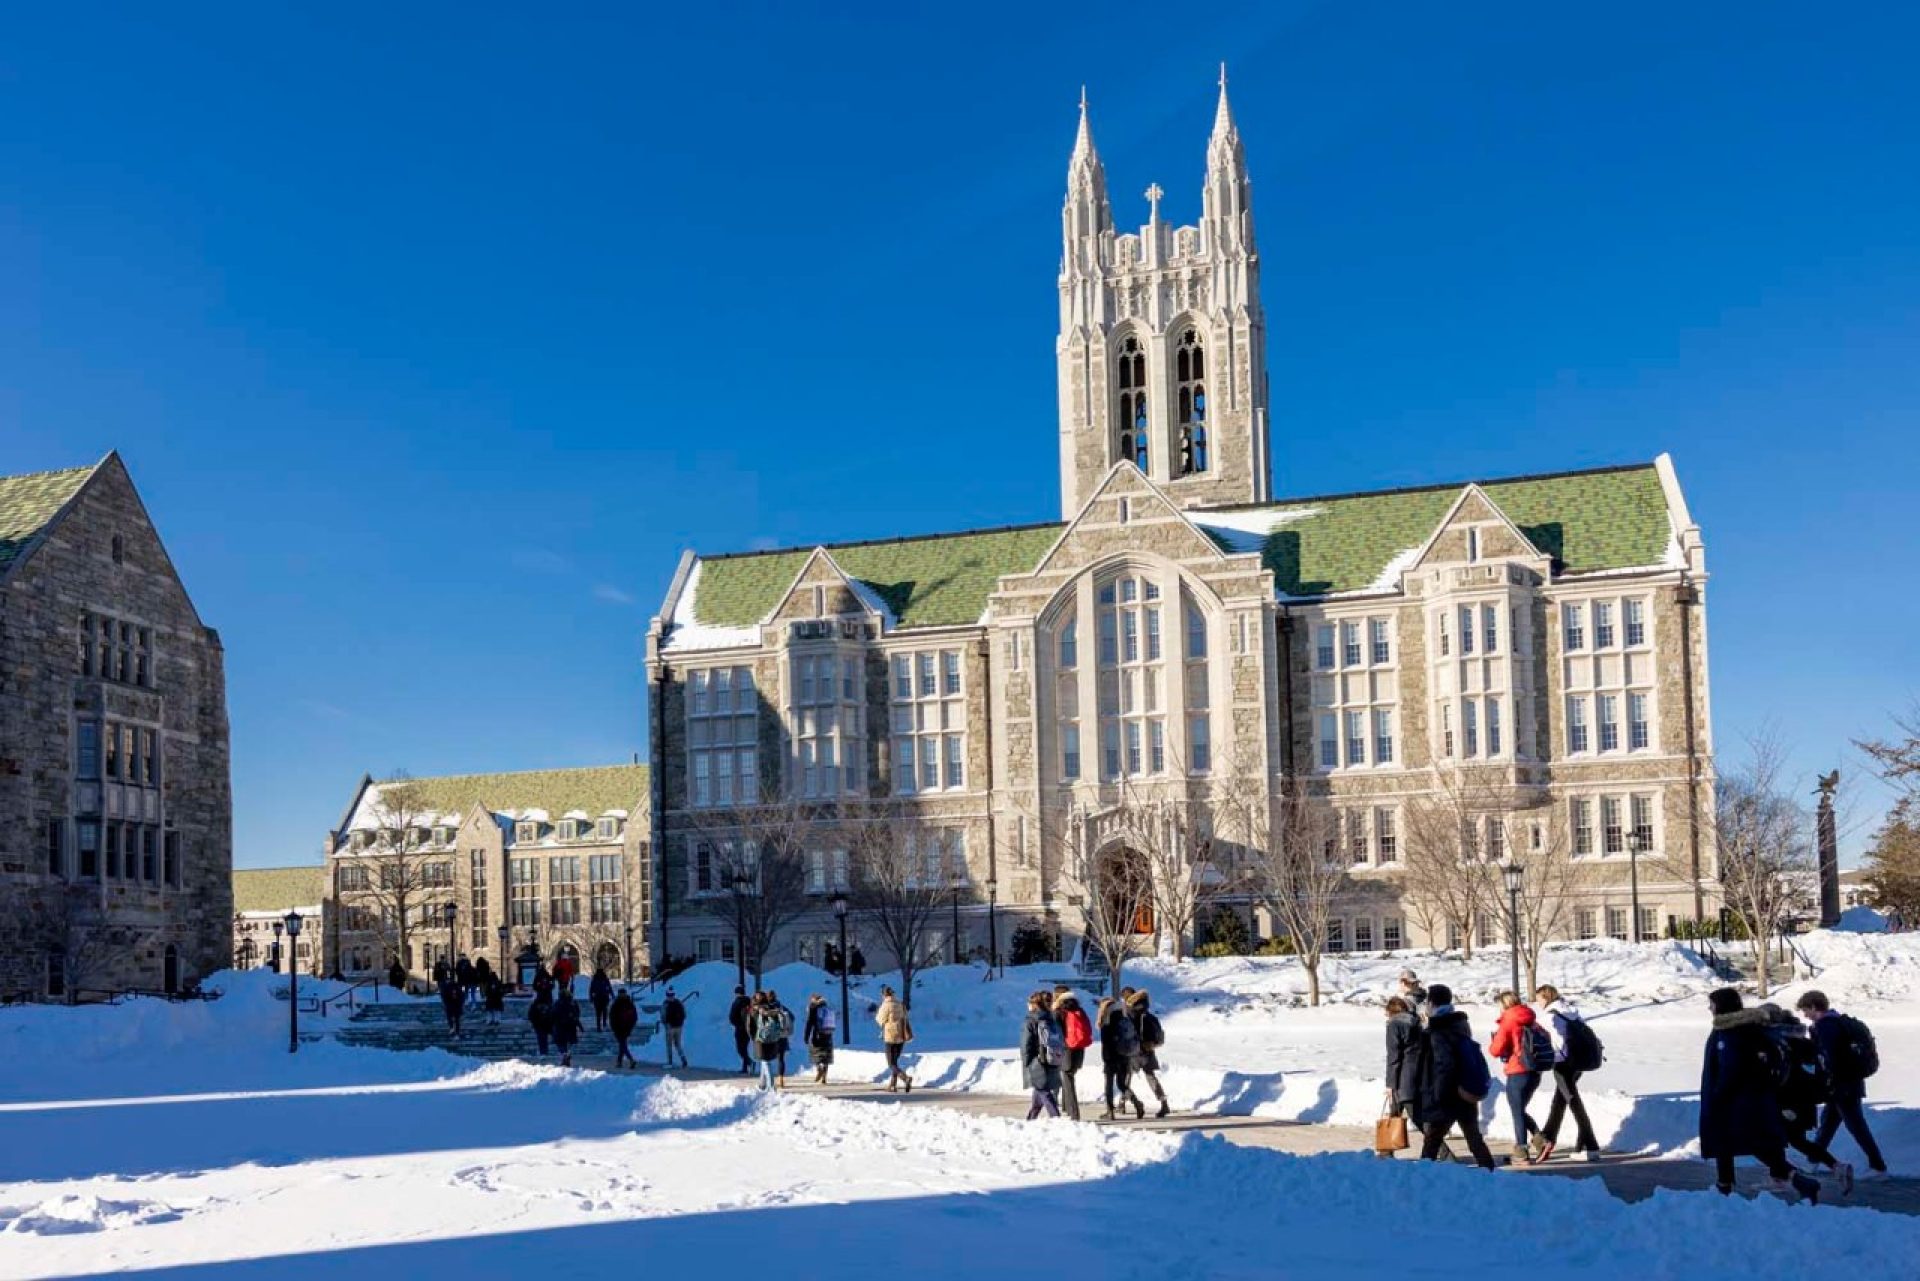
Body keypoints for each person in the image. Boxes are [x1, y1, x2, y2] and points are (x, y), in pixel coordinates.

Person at [1699, 987, 1821, 1201]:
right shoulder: (1750, 1028)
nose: (1709, 1008)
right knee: (1753, 1145)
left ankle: (1724, 1186)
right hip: (1753, 1099)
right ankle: (1798, 1180)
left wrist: (1719, 1094)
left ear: (1722, 1006)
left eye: (1712, 1003)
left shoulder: (1729, 1032)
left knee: (1729, 1140)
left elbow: (1731, 1068)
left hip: (1735, 1101)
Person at [1758, 1003, 1851, 1192]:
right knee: (1795, 1140)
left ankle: (1780, 1177)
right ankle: (1836, 1167)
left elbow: (1781, 1075)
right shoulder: (1800, 1039)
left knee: (1771, 1139)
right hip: (1806, 1100)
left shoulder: (1779, 1042)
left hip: (1786, 1100)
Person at [1797, 990, 1889, 1180]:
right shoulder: (1838, 1022)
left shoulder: (1825, 1026)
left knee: (1856, 1126)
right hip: (1847, 1084)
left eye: (1806, 1010)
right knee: (1828, 1124)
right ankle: (1812, 1162)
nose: (1805, 1015)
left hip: (1841, 1086)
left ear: (1814, 1007)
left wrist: (1825, 1081)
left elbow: (1830, 1058)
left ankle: (1878, 1167)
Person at [1412, 983, 1497, 1169]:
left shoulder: (1439, 1029)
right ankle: (1489, 1170)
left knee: (1432, 1139)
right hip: (1464, 1089)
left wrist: (1438, 1094)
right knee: (1473, 1136)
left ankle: (1421, 1177)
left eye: (1427, 1001)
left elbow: (1445, 1064)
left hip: (1448, 1093)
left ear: (1432, 1003)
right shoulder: (1459, 1023)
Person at [1533, 984, 1601, 1163]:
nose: (1537, 1002)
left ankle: (1591, 1145)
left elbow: (1558, 1040)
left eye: (1538, 998)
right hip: (1578, 1062)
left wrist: (1553, 1057)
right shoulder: (1570, 1010)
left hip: (1563, 1063)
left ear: (1546, 998)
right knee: (1560, 1100)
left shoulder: (1550, 1016)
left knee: (1572, 1101)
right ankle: (1549, 1138)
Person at [1488, 990, 1547, 1163]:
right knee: (1519, 1109)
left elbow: (1495, 1050)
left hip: (1517, 1070)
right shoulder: (1530, 1018)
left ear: (1505, 1005)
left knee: (1517, 1111)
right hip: (1534, 1070)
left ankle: (1521, 1151)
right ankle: (1540, 1140)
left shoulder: (1509, 1021)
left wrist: (1496, 1041)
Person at [1124, 988, 1171, 1118]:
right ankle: (1164, 1103)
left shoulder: (1131, 1012)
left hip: (1135, 1051)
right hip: (1149, 1050)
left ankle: (1123, 1102)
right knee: (1151, 1076)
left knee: (1126, 1077)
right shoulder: (1147, 1013)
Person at [1383, 996, 1422, 1148]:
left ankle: (1442, 1153)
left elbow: (1393, 1056)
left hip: (1402, 1078)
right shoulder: (1415, 1023)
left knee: (1417, 1116)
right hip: (1416, 1073)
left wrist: (1390, 1084)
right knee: (1395, 1111)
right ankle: (1386, 1150)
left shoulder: (1394, 1025)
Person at [1097, 994, 1144, 1120]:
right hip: (1124, 1055)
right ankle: (1137, 1103)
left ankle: (1110, 1111)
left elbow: (1105, 1041)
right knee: (1122, 1084)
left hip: (1111, 1057)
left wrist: (1106, 1057)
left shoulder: (1107, 1022)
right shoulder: (1125, 1019)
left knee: (1108, 1084)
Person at [1022, 990, 1064, 1120]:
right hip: (1050, 1056)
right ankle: (1031, 1119)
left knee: (1042, 1090)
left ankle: (1056, 1118)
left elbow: (1026, 1043)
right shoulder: (1050, 1017)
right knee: (1039, 1089)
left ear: (1034, 1004)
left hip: (1036, 1059)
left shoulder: (1030, 1020)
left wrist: (1027, 1061)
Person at [1055, 988, 1092, 1122]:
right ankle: (1066, 1108)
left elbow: (1057, 1034)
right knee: (1069, 1078)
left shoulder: (1060, 1012)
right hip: (1079, 1050)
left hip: (1067, 1051)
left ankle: (1074, 1114)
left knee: (1068, 1080)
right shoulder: (1080, 1010)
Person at [875, 985, 913, 1092]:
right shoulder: (900, 1003)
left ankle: (905, 1078)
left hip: (890, 1036)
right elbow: (906, 1017)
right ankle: (893, 1084)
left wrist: (878, 1013)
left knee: (891, 1063)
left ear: (884, 995)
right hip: (901, 1036)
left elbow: (880, 1020)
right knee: (895, 1061)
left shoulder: (886, 1005)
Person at [751, 993, 783, 1091]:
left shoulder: (756, 1010)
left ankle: (771, 1086)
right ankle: (762, 1084)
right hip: (772, 1038)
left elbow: (751, 1025)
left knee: (765, 1061)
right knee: (764, 1061)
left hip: (760, 1038)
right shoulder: (771, 1008)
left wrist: (752, 1036)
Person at [804, 993, 836, 1084]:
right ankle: (824, 1077)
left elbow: (809, 1023)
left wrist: (806, 1036)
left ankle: (819, 1069)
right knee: (826, 1055)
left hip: (817, 1034)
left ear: (814, 1000)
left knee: (815, 1053)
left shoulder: (813, 1008)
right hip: (828, 1034)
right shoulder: (827, 1008)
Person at [768, 989, 795, 1088]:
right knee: (781, 1058)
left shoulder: (767, 1008)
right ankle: (781, 1078)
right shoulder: (781, 1006)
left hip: (770, 1037)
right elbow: (792, 1016)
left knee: (767, 1058)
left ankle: (768, 1079)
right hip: (782, 1036)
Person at [551, 988, 583, 1067]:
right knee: (568, 1043)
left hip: (560, 1027)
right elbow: (576, 1014)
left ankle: (564, 1055)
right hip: (570, 1027)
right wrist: (579, 1025)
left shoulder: (557, 1004)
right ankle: (567, 1054)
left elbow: (553, 1015)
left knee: (561, 1043)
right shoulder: (573, 1003)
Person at [609, 988, 640, 1069]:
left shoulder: (618, 1004)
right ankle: (619, 1062)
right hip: (623, 1028)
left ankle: (630, 1060)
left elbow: (612, 1017)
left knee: (622, 1045)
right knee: (622, 1044)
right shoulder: (627, 1003)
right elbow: (634, 1016)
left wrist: (614, 1027)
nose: (622, 995)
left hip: (622, 1028)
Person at [661, 986, 689, 1068]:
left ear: (666, 994)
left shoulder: (666, 1003)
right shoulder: (679, 1002)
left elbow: (663, 1016)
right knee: (678, 1044)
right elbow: (685, 1014)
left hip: (670, 1027)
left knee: (669, 1045)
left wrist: (665, 1023)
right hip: (679, 1027)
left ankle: (670, 1061)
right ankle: (683, 1058)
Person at [728, 986, 753, 1074]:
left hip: (740, 1029)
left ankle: (749, 1062)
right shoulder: (749, 1002)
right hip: (749, 1028)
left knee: (740, 1049)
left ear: (737, 993)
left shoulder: (737, 1002)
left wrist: (737, 1024)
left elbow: (731, 1017)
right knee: (745, 1047)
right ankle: (745, 1067)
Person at [527, 988, 553, 1056]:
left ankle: (543, 1052)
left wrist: (534, 1023)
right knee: (544, 1039)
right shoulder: (548, 1004)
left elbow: (531, 1015)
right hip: (546, 1024)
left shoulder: (535, 1005)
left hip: (539, 1025)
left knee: (541, 1039)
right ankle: (545, 1051)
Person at [589, 968, 613, 1032]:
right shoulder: (596, 980)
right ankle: (599, 1026)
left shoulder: (603, 979)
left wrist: (611, 994)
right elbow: (591, 989)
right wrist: (591, 997)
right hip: (598, 998)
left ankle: (603, 1023)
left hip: (603, 997)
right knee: (599, 1013)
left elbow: (609, 987)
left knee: (603, 1011)